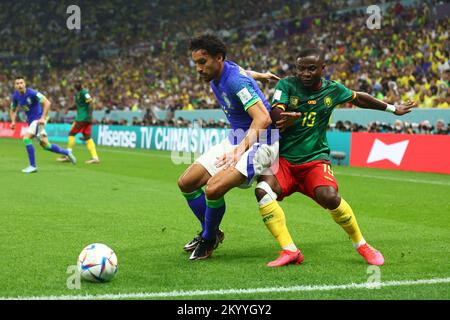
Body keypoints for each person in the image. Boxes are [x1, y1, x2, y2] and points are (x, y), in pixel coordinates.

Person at [256, 48, 416, 267]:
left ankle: (362, 245)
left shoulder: (333, 90)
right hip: (284, 160)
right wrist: (284, 117)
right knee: (262, 191)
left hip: (315, 159)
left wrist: (392, 108)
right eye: (300, 68)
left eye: (311, 68)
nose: (304, 73)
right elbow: (276, 110)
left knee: (330, 196)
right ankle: (290, 250)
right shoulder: (286, 85)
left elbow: (359, 98)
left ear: (323, 68)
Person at [178, 34, 299, 261]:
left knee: (213, 189)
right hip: (237, 138)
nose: (198, 69)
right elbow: (242, 72)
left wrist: (240, 149)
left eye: (202, 62)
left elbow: (263, 119)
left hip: (261, 141)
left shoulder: (235, 81)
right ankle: (212, 232)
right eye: (195, 63)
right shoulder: (223, 72)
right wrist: (260, 76)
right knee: (187, 183)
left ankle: (208, 238)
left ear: (218, 58)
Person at [9, 76, 76, 173]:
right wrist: (13, 121)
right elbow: (12, 109)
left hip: (38, 120)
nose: (20, 85)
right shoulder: (15, 96)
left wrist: (43, 118)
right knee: (46, 146)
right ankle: (67, 152)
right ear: (15, 86)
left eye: (21, 83)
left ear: (25, 84)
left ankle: (33, 166)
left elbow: (47, 103)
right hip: (31, 122)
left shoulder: (32, 93)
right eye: (17, 83)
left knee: (26, 138)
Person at [57, 79, 100, 164]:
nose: (77, 84)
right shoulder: (77, 95)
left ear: (81, 85)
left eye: (78, 83)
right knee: (87, 137)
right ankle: (95, 158)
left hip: (82, 118)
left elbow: (91, 103)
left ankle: (67, 155)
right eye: (76, 83)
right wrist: (68, 108)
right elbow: (76, 106)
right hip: (85, 119)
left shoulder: (84, 93)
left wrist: (90, 116)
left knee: (71, 134)